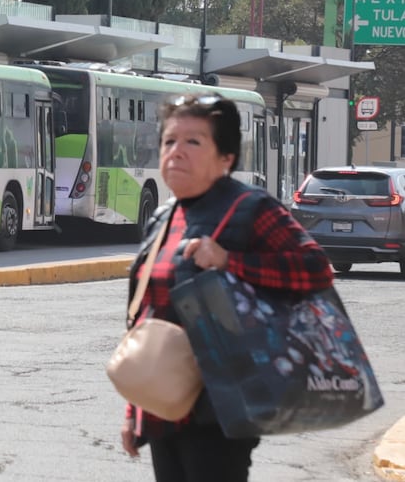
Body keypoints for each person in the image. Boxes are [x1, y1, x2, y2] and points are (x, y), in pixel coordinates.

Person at [119, 93, 334, 482]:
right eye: (169, 141)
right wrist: (136, 412)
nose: (176, 152)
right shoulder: (164, 216)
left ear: (226, 158)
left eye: (193, 142)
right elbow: (148, 320)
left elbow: (316, 269)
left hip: (220, 407)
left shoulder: (251, 208)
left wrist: (229, 261)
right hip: (166, 405)